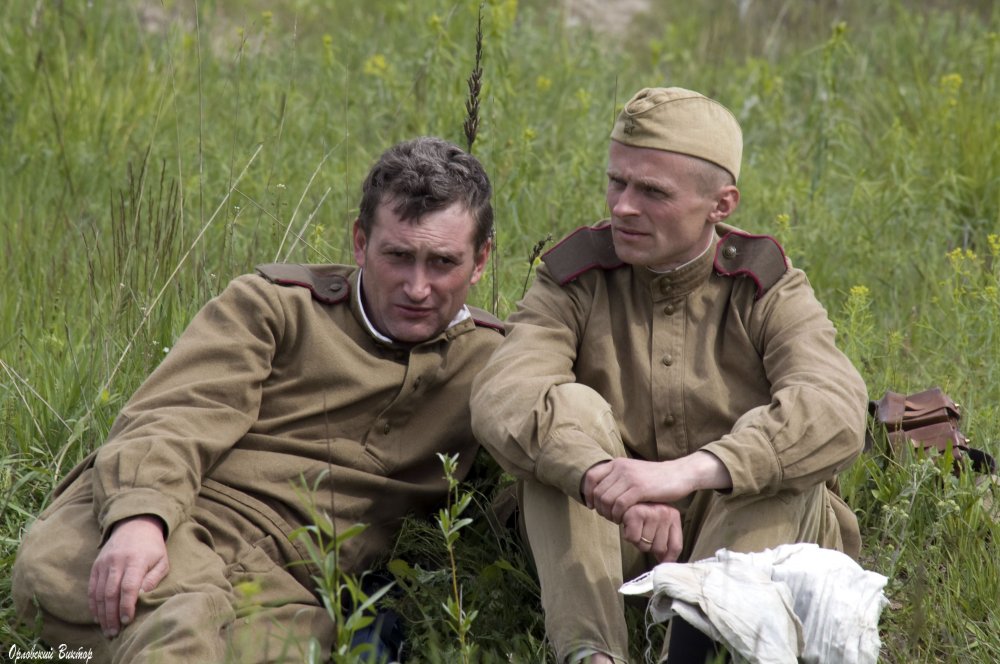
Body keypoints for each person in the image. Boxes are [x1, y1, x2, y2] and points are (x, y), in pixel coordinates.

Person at [12, 136, 504, 663]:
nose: (418, 287)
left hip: (283, 594)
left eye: (443, 262)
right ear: (361, 243)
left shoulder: (496, 363)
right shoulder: (275, 307)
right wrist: (140, 517)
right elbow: (179, 412)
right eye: (399, 256)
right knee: (175, 626)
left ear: (480, 261)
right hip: (169, 525)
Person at [470, 86, 868, 663]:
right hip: (617, 536)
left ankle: (693, 647)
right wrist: (607, 481)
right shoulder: (575, 279)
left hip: (742, 534)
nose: (623, 206)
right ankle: (592, 655)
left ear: (721, 204)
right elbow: (505, 395)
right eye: (617, 182)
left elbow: (835, 410)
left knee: (771, 456)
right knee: (565, 422)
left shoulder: (766, 288)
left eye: (653, 191)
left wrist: (686, 474)